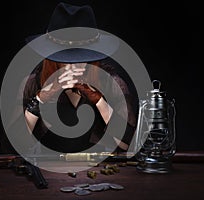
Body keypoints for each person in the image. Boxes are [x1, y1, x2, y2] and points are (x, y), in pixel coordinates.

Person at [22, 2, 138, 153]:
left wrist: (98, 100)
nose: (73, 65)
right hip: (45, 169)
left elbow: (128, 145)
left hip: (100, 172)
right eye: (65, 58)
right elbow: (16, 144)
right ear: (51, 56)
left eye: (81, 57)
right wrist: (41, 97)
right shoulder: (31, 83)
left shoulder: (112, 83)